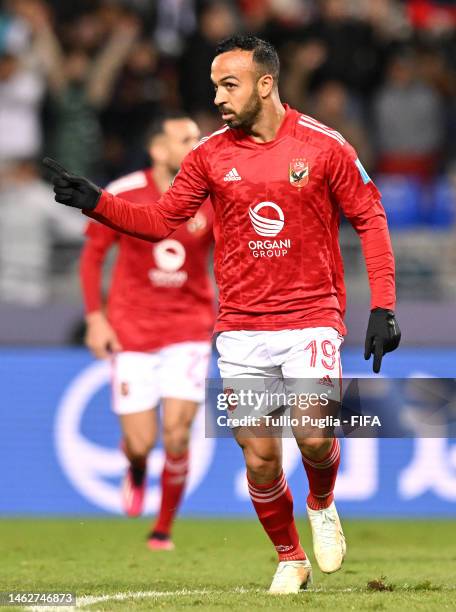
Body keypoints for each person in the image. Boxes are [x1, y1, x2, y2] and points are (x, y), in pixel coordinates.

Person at [45, 35, 401, 594]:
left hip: (311, 315)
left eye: (228, 84)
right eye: (214, 85)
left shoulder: (324, 145)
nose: (217, 96)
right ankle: (290, 556)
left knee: (311, 434)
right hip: (240, 327)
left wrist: (383, 304)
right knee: (260, 459)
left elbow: (371, 219)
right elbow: (162, 220)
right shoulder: (210, 155)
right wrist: (98, 202)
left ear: (266, 84)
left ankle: (322, 501)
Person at [79, 113, 215, 551]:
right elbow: (92, 257)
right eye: (185, 138)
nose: (196, 143)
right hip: (132, 329)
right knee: (142, 442)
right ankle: (135, 467)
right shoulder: (124, 193)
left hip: (189, 327)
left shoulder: (212, 197)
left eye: (198, 137)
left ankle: (163, 529)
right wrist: (95, 317)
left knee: (177, 433)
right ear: (159, 150)